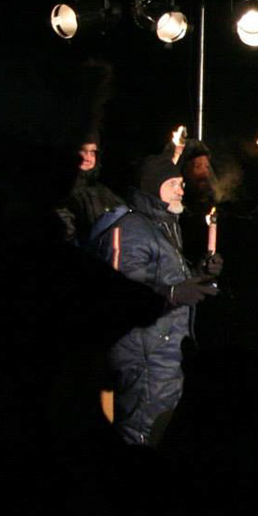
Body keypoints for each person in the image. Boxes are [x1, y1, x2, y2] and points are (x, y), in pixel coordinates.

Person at [100, 154, 220, 444]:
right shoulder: (131, 229)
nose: (181, 190)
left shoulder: (163, 225)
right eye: (172, 184)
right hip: (144, 353)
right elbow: (123, 294)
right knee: (142, 429)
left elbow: (165, 277)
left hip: (166, 350)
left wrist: (200, 273)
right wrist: (175, 294)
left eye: (181, 183)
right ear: (154, 188)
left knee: (163, 429)